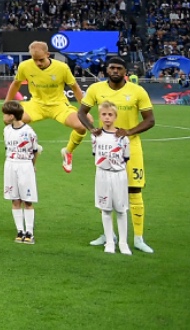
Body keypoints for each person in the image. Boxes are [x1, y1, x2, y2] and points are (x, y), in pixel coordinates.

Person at [76, 55, 155, 253]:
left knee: (134, 191)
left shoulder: (137, 91)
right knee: (107, 193)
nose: (115, 71)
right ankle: (108, 235)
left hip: (131, 147)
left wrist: (128, 132)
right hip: (105, 148)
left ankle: (138, 238)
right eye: (112, 68)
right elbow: (81, 112)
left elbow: (150, 120)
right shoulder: (96, 89)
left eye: (119, 68)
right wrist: (92, 128)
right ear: (106, 70)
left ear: (125, 72)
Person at [9, 41, 87, 173]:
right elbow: (15, 84)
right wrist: (7, 103)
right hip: (36, 104)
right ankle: (34, 148)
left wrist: (84, 110)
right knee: (11, 119)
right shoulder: (25, 66)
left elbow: (75, 87)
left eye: (41, 59)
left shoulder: (62, 67)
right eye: (34, 60)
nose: (38, 63)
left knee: (81, 126)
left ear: (48, 54)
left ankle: (68, 151)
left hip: (58, 105)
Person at [91, 101, 133, 254]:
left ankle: (123, 243)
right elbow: (95, 155)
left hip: (119, 175)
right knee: (105, 209)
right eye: (104, 114)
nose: (107, 117)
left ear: (115, 117)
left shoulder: (122, 137)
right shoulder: (96, 136)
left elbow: (126, 158)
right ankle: (109, 242)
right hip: (102, 175)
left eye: (110, 115)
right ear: (100, 116)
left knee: (121, 210)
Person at [2, 102, 41, 244]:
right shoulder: (6, 130)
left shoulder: (29, 132)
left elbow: (35, 151)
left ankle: (29, 232)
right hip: (10, 165)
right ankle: (20, 230)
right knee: (15, 199)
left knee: (28, 200)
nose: (4, 117)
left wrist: (31, 165)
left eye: (5, 114)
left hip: (25, 166)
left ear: (12, 116)